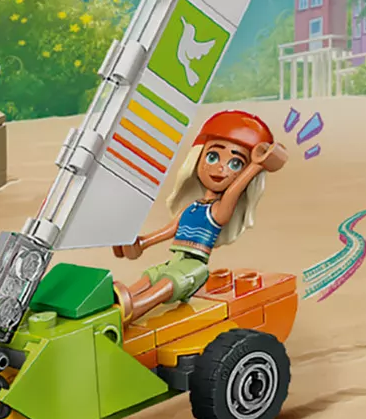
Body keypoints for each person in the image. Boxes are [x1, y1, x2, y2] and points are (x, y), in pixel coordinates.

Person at [113, 109, 286, 327]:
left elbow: (232, 193)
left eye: (235, 164)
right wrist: (142, 243)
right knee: (151, 276)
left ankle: (134, 310)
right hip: (175, 260)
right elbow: (170, 230)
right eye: (212, 157)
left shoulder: (218, 211)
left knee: (167, 284)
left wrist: (255, 167)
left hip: (194, 266)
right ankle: (120, 301)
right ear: (197, 159)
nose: (220, 167)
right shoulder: (192, 207)